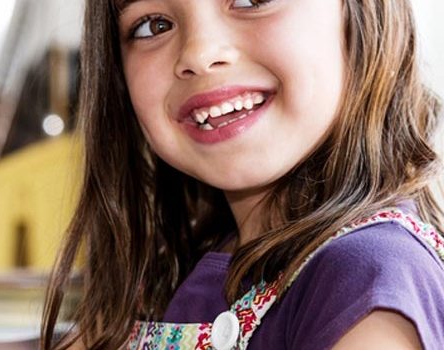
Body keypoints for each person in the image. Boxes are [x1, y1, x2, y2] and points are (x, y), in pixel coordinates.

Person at [41, 0, 444, 348]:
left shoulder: (369, 277)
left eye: (251, 0)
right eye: (154, 25)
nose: (198, 53)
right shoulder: (177, 270)